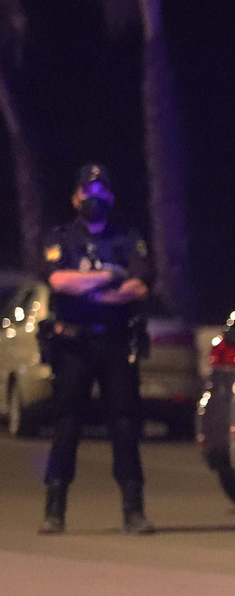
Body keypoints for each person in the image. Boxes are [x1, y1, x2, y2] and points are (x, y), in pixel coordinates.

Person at [37, 164, 156, 535]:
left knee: (124, 424)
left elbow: (139, 286)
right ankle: (54, 511)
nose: (94, 200)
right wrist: (108, 277)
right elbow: (59, 281)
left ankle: (133, 511)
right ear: (75, 197)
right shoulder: (60, 239)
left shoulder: (127, 239)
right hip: (73, 344)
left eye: (101, 194)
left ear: (112, 198)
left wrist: (94, 288)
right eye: (87, 193)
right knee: (67, 424)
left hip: (116, 343)